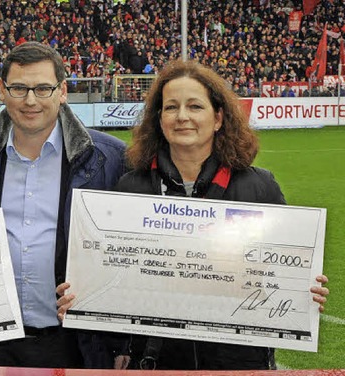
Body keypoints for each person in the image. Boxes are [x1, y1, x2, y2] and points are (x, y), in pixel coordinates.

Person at [56, 60, 329, 370]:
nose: (182, 116)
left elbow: (281, 272)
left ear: (218, 118)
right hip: (157, 362)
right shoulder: (131, 188)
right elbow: (112, 275)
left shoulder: (259, 187)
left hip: (239, 363)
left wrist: (303, 289)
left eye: (195, 106)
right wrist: (84, 295)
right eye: (171, 107)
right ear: (159, 119)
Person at [0, 42, 129, 369]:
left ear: (62, 91)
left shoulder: (108, 159)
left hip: (75, 346)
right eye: (19, 88)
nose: (30, 100)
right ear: (1, 91)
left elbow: (130, 258)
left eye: (43, 88)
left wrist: (121, 341)